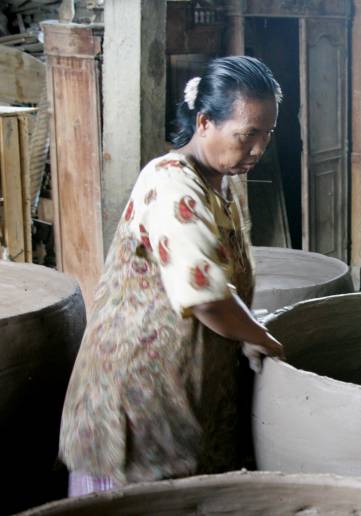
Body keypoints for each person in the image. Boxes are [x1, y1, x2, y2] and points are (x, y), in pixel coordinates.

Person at [59, 56, 285, 496]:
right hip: (136, 394)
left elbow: (223, 279)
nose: (258, 149)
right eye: (247, 135)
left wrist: (247, 326)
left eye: (267, 135)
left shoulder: (225, 181)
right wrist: (262, 336)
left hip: (187, 384)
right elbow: (205, 295)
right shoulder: (169, 183)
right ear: (204, 122)